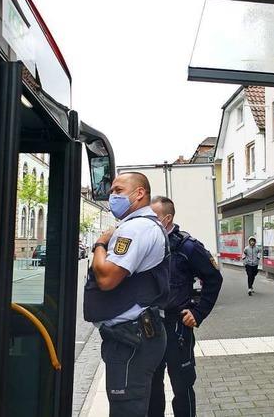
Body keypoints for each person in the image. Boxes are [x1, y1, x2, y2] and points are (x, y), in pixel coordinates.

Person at [83, 172, 169, 417]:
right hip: (135, 336)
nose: (112, 196)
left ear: (139, 193)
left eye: (118, 191)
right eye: (111, 192)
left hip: (131, 340)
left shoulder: (136, 228)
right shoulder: (139, 226)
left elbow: (107, 278)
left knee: (127, 410)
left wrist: (99, 244)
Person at [147, 196, 223, 417]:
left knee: (182, 386)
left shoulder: (187, 247)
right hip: (150, 325)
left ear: (167, 218)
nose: (149, 222)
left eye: (154, 217)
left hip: (177, 326)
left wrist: (198, 313)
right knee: (152, 385)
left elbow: (213, 279)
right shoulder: (147, 244)